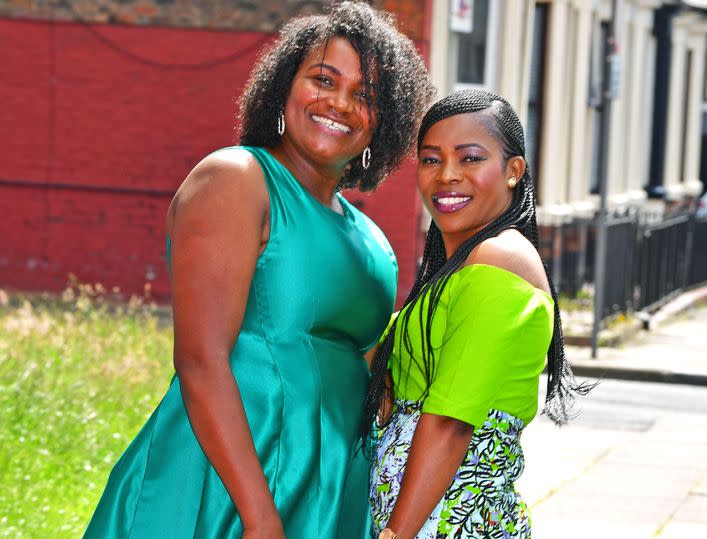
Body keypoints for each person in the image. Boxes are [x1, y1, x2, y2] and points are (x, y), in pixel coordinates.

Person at [84, 3, 433, 538]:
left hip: (327, 492)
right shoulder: (237, 179)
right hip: (230, 484)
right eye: (323, 79)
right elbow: (201, 361)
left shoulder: (372, 241)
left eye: (365, 96)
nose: (339, 102)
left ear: (383, 123)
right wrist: (260, 517)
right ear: (283, 86)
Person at [363, 90, 592, 539]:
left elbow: (450, 422)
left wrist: (395, 534)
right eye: (431, 160)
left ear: (513, 171)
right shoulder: (461, 268)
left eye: (469, 158)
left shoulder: (497, 259)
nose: (447, 175)